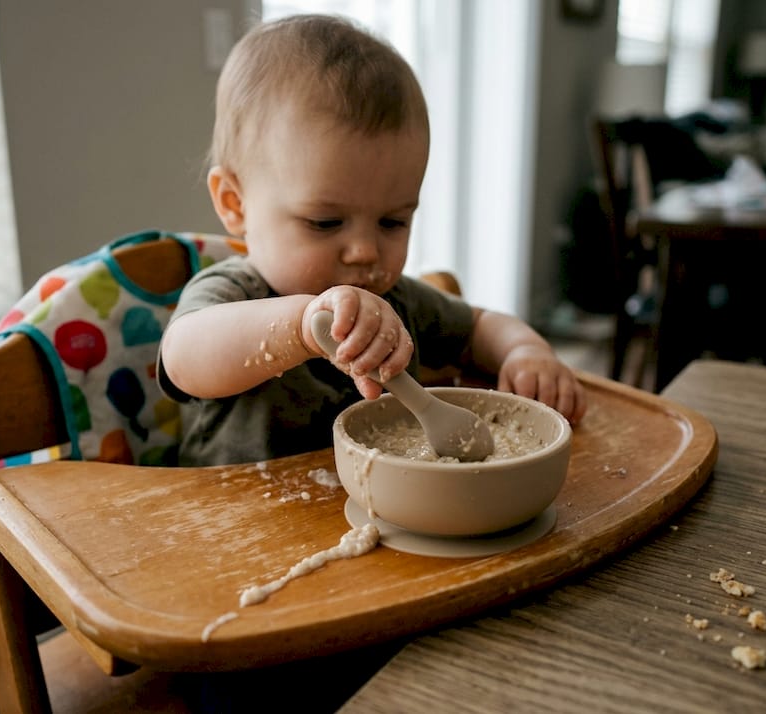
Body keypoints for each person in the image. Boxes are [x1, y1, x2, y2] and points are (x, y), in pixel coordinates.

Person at [158, 14, 586, 467]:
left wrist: (526, 353)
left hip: (378, 516)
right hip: (233, 525)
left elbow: (480, 327)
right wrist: (302, 326)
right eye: (325, 222)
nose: (365, 251)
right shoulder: (231, 295)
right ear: (235, 203)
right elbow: (184, 359)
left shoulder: (392, 302)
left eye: (392, 222)